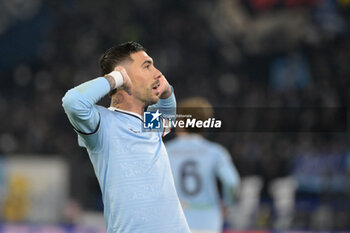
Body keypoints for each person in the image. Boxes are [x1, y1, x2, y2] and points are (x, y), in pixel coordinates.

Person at [62, 41, 190, 233]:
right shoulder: (102, 125)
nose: (157, 73)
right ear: (123, 75)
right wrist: (116, 78)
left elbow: (167, 115)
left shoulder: (149, 125)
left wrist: (167, 91)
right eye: (147, 66)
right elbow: (72, 102)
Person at [166, 97, 240, 233]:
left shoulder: (165, 151)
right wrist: (227, 204)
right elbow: (231, 182)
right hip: (208, 220)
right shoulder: (216, 152)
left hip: (175, 221)